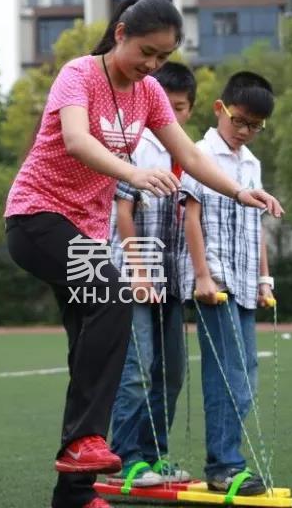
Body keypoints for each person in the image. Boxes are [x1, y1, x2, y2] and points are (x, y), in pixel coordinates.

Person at [4, 0, 283, 508]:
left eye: (163, 56)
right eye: (146, 52)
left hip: (84, 232)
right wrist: (132, 172)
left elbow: (190, 153)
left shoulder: (149, 92)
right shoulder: (80, 74)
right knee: (113, 295)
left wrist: (237, 191)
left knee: (88, 349)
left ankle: (74, 493)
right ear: (121, 32)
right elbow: (75, 140)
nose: (152, 65)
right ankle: (89, 444)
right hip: (37, 217)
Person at [180, 71, 277, 495]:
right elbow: (191, 217)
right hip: (215, 281)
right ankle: (223, 466)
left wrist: (263, 279)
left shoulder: (251, 164)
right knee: (226, 375)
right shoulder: (200, 154)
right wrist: (202, 275)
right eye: (240, 121)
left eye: (256, 126)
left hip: (244, 281)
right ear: (220, 109)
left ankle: (228, 459)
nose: (246, 131)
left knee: (247, 373)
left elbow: (256, 228)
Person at [107, 62, 197, 488]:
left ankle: (155, 455)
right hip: (133, 276)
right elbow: (122, 211)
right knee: (138, 369)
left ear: (189, 111)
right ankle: (126, 458)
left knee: (172, 372)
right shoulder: (136, 147)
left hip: (173, 280)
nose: (173, 117)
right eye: (167, 107)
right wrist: (140, 271)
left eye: (180, 108)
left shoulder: (188, 153)